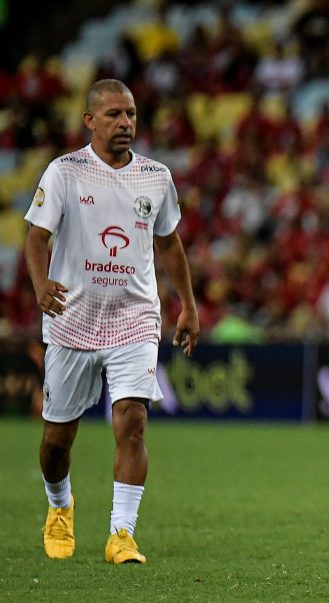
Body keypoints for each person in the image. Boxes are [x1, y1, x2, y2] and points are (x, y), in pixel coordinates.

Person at [24, 79, 200, 564]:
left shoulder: (156, 177)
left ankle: (122, 534)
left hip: (135, 316)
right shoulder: (64, 172)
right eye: (114, 115)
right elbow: (37, 238)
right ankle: (60, 505)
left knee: (132, 420)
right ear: (89, 121)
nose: (125, 123)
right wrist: (40, 284)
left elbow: (168, 243)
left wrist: (188, 303)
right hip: (71, 317)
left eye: (131, 114)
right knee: (57, 441)